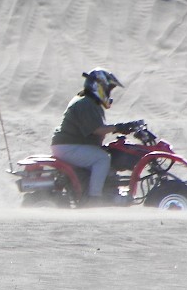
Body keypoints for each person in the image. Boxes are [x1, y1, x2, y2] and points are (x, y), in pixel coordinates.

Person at [51, 68, 129, 204]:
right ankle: (94, 199)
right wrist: (118, 127)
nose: (108, 92)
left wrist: (120, 128)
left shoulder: (88, 101)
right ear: (99, 86)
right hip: (68, 146)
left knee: (106, 154)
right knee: (101, 159)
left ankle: (108, 191)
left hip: (70, 145)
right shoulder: (86, 103)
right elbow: (96, 130)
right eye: (108, 88)